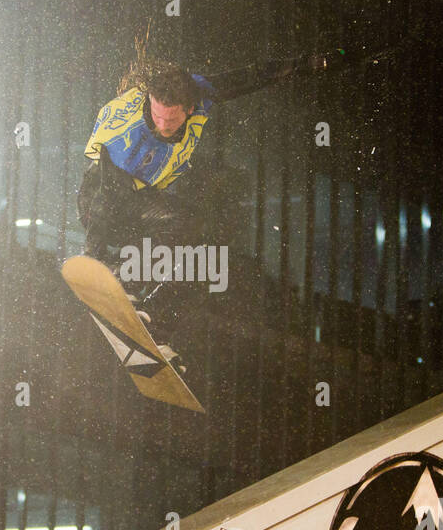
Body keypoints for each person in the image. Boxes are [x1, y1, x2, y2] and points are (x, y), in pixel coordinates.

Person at [76, 50, 351, 373]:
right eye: (158, 115)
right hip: (102, 198)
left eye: (172, 119)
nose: (163, 126)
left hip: (139, 208)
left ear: (189, 107)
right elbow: (107, 196)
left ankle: (156, 324)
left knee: (203, 252)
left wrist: (299, 64)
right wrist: (94, 258)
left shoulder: (199, 92)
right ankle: (124, 279)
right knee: (181, 222)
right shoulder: (131, 133)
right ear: (150, 100)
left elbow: (249, 76)